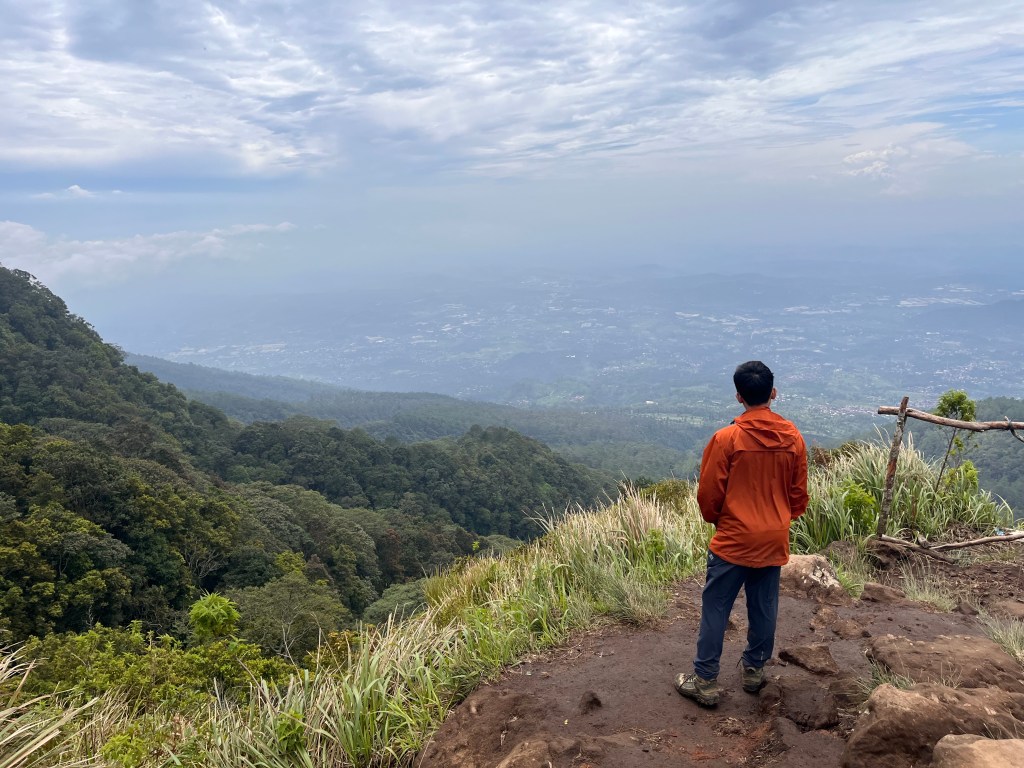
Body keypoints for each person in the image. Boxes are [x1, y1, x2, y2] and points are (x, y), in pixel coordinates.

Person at [675, 361, 809, 707]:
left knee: (716, 606)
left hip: (733, 539)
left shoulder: (726, 439)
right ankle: (754, 671)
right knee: (764, 606)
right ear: (773, 394)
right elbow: (798, 495)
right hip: (772, 538)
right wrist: (778, 519)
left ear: (738, 397)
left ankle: (705, 680)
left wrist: (721, 521)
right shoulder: (793, 438)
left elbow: (708, 495)